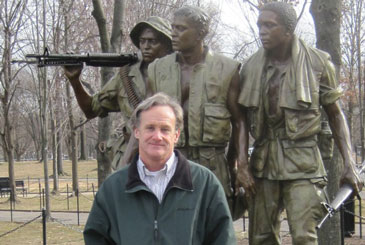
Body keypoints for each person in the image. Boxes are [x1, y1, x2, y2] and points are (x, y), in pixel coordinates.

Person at [238, 2, 363, 244]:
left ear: (288, 29)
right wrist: (242, 164)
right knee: (261, 237)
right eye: (260, 25)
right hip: (263, 162)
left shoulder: (317, 62)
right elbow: (240, 118)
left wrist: (349, 163)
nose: (262, 30)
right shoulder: (251, 67)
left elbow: (336, 114)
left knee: (304, 236)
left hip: (303, 162)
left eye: (269, 25)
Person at [122, 5, 250, 220]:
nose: (173, 33)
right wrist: (125, 165)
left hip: (212, 164)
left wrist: (241, 165)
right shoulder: (158, 69)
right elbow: (145, 121)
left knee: (214, 227)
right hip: (169, 163)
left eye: (181, 29)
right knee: (169, 227)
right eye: (173, 27)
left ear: (201, 33)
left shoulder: (227, 69)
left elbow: (240, 122)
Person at [83, 93, 236, 244]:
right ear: (137, 131)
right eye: (150, 128)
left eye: (165, 129)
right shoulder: (113, 188)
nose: (157, 136)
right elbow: (96, 237)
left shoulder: (204, 183)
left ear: (176, 135)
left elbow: (223, 238)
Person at [64, 16, 173, 168]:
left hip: (169, 156)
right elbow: (91, 109)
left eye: (153, 41)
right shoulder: (125, 76)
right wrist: (75, 81)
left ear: (167, 45)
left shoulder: (179, 75)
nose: (146, 46)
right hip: (132, 157)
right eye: (142, 41)